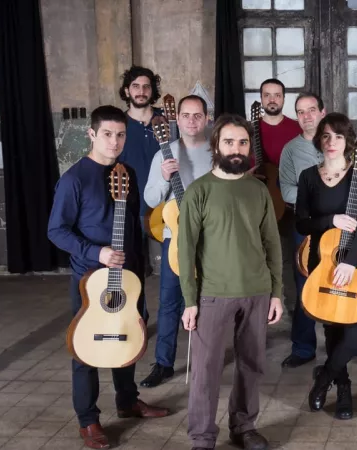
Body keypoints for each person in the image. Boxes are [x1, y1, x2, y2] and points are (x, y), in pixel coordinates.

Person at [48, 105, 170, 450]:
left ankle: (127, 401)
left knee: (126, 336)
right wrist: (96, 252)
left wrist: (138, 270)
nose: (114, 142)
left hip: (127, 276)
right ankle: (88, 419)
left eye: (120, 135)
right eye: (107, 134)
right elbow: (56, 230)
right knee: (85, 348)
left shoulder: (126, 172)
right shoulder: (74, 179)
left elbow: (132, 225)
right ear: (92, 134)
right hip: (89, 279)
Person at [179, 114, 284, 450]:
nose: (236, 149)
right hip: (212, 294)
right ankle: (202, 437)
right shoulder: (199, 191)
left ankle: (243, 427)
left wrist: (277, 293)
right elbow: (185, 251)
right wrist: (190, 301)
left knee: (251, 365)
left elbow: (272, 243)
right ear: (216, 146)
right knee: (205, 370)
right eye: (229, 142)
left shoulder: (258, 190)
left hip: (257, 291)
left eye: (242, 142)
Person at [298, 113, 357, 420]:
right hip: (323, 261)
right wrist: (330, 220)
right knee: (332, 330)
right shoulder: (308, 176)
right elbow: (301, 222)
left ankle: (324, 378)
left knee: (355, 335)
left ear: (349, 141)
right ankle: (343, 386)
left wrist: (351, 262)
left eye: (339, 136)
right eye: (326, 136)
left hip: (354, 262)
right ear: (319, 140)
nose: (332, 142)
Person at [139, 95, 211, 388]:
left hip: (210, 239)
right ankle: (163, 363)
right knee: (169, 301)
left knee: (208, 300)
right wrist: (164, 177)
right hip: (176, 239)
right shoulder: (163, 154)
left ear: (206, 119)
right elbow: (150, 199)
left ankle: (206, 360)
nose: (192, 121)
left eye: (197, 115)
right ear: (177, 119)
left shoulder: (217, 151)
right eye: (186, 115)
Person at [279, 92, 326, 368]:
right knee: (305, 285)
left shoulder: (337, 142)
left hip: (336, 225)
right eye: (300, 111)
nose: (307, 116)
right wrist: (316, 197)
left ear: (322, 112)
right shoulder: (290, 150)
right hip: (305, 225)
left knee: (342, 281)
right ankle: (303, 347)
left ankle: (354, 343)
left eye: (311, 110)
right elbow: (286, 188)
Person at [116, 65, 164, 220]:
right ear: (126, 91)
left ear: (152, 91)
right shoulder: (118, 124)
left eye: (146, 87)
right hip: (130, 209)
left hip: (165, 207)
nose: (141, 91)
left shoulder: (168, 120)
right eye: (135, 86)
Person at [255, 78, 303, 168]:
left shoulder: (298, 129)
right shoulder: (248, 129)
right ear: (261, 98)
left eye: (277, 95)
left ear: (283, 98)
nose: (272, 100)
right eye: (267, 95)